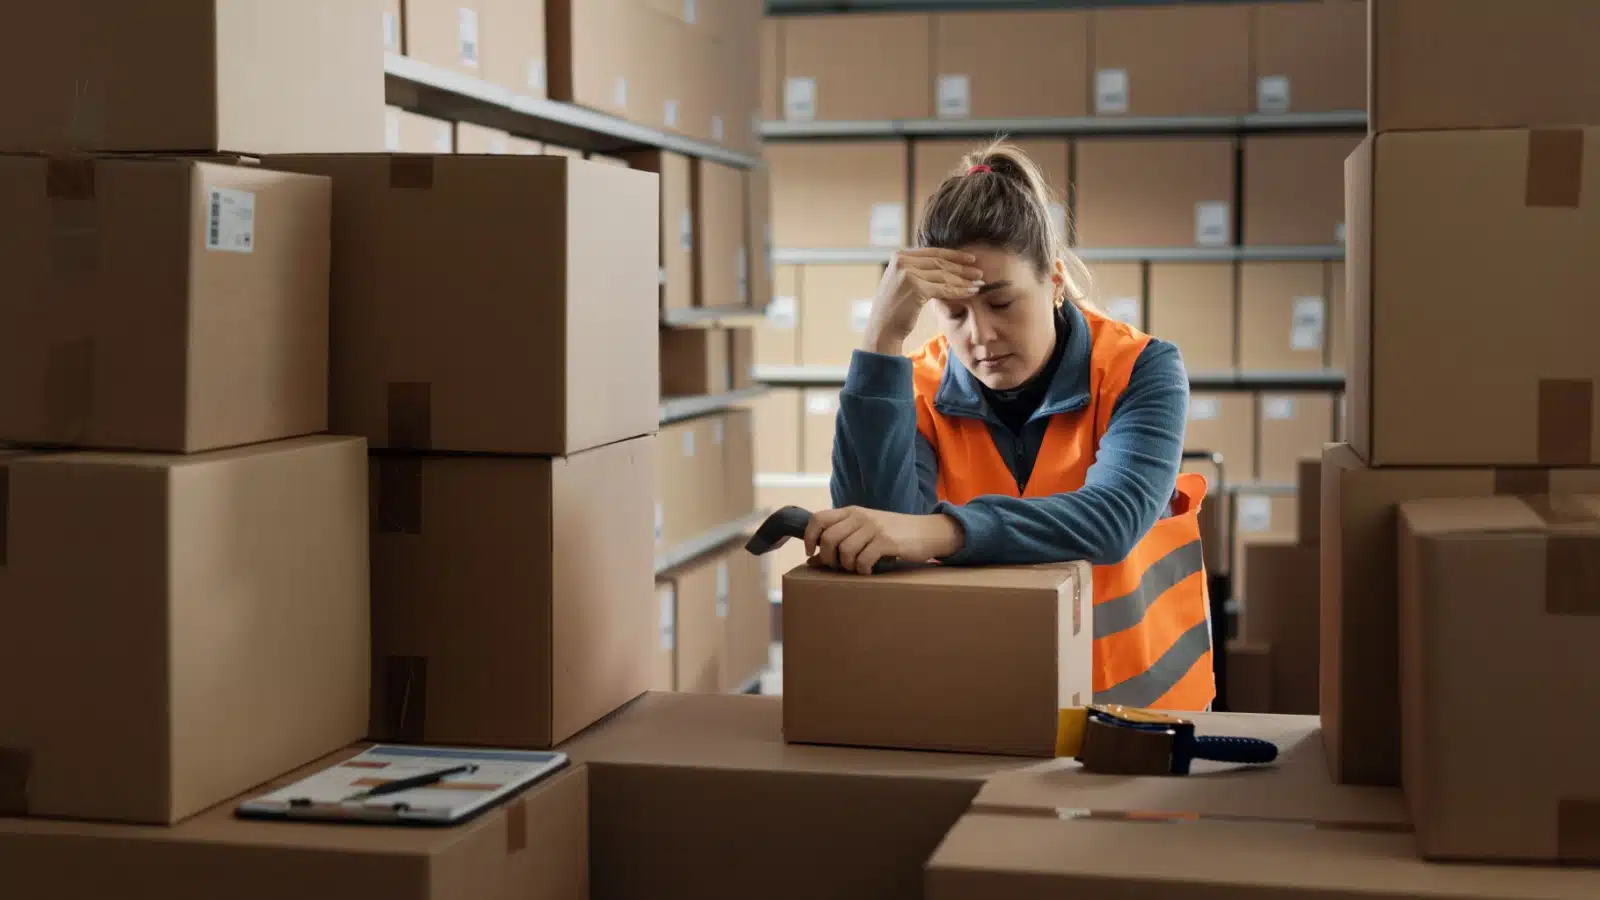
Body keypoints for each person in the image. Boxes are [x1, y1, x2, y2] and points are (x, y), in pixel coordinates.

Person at [804, 140, 1213, 711]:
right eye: (954, 312)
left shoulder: (1140, 369)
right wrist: (882, 339)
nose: (980, 336)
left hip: (1138, 708)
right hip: (992, 699)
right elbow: (879, 546)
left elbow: (1113, 518)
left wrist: (932, 532)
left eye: (1001, 303)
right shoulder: (917, 387)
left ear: (1055, 282)